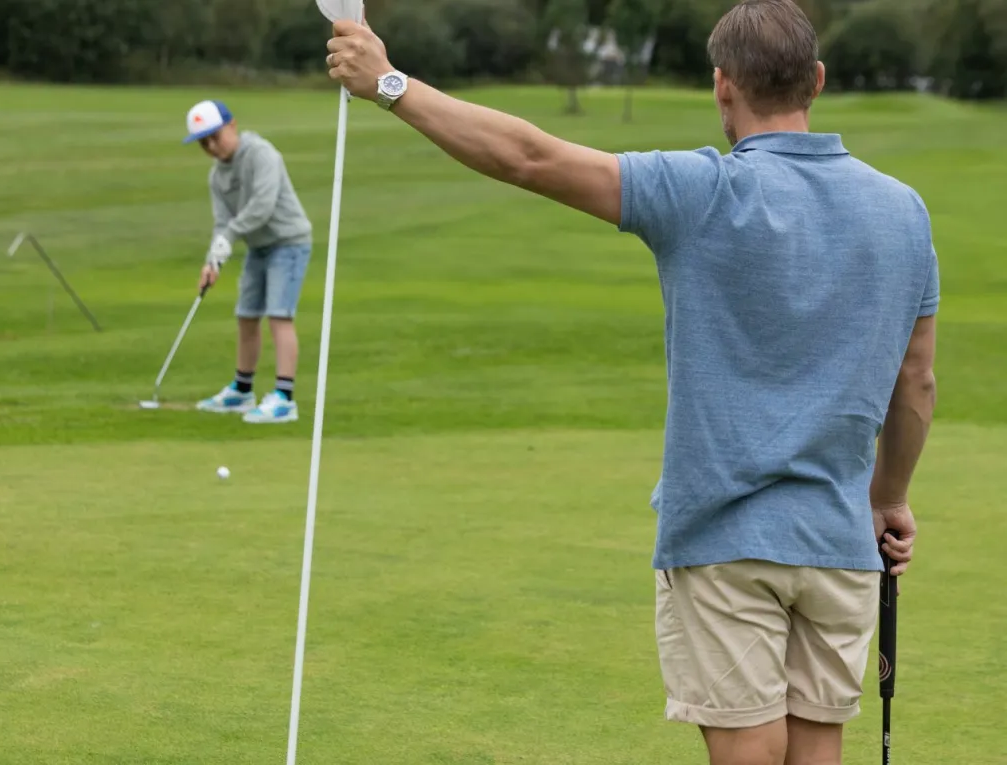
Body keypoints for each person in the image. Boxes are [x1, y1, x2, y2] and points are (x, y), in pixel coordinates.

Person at [325, 0, 939, 762]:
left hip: (723, 537)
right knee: (817, 748)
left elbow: (529, 157)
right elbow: (915, 383)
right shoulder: (904, 212)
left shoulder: (700, 191)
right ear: (815, 79)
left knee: (749, 747)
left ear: (722, 85)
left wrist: (388, 83)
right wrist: (889, 496)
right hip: (838, 539)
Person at [182, 99, 314, 424]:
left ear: (232, 125)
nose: (212, 146)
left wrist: (229, 237)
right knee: (246, 315)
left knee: (279, 315)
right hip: (258, 247)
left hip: (288, 241)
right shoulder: (217, 177)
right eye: (204, 143)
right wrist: (213, 260)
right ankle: (242, 390)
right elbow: (221, 222)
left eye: (215, 137)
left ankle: (284, 397)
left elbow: (262, 206)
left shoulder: (261, 154)